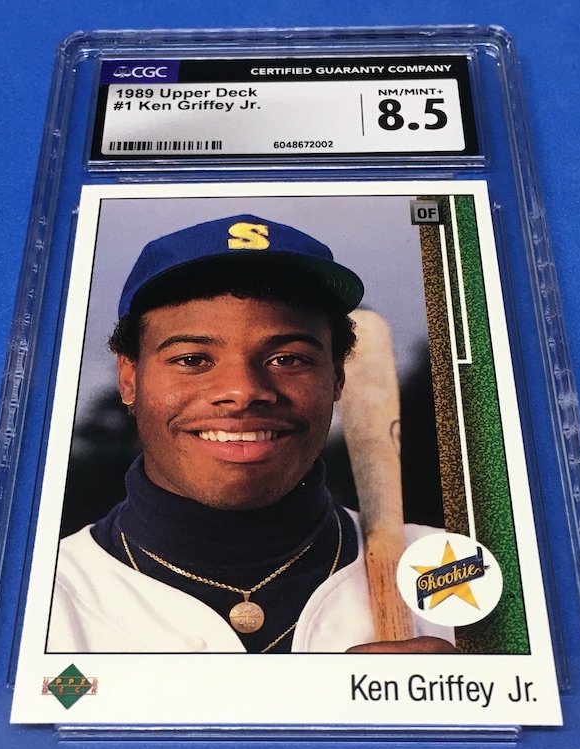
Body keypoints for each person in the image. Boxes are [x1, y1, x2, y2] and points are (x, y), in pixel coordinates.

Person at [47, 214, 455, 654]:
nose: (243, 392)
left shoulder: (461, 575)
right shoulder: (38, 600)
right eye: (192, 359)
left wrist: (474, 690)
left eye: (288, 359)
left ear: (337, 377)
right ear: (129, 379)